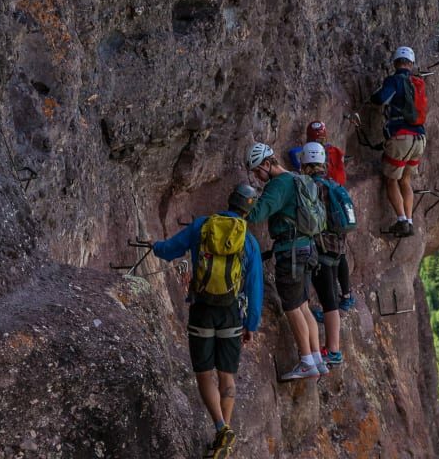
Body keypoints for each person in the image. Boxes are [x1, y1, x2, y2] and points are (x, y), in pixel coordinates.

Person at [151, 184, 264, 459]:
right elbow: (254, 286)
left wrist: (155, 246)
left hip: (202, 309)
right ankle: (223, 436)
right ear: (248, 211)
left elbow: (168, 250)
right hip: (231, 312)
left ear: (229, 200)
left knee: (204, 374)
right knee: (227, 375)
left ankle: (221, 428)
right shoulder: (248, 240)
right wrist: (251, 324)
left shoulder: (202, 226)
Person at [243, 141, 329, 381]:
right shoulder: (296, 178)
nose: (257, 177)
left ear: (268, 164)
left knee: (291, 306)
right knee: (302, 305)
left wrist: (243, 201)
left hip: (291, 252)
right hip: (307, 248)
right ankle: (316, 359)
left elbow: (258, 214)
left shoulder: (278, 185)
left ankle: (306, 361)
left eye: (257, 170)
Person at [298, 142, 356, 366]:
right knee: (330, 296)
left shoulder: (310, 186)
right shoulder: (332, 184)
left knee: (328, 300)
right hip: (336, 248)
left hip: (320, 248)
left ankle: (333, 350)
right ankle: (332, 348)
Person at [372, 46, 427, 236]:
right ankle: (410, 220)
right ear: (411, 64)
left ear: (395, 62)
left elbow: (381, 98)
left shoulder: (395, 80)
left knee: (391, 179)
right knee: (406, 179)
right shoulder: (417, 83)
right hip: (420, 139)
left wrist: (372, 97)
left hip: (401, 137)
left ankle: (402, 220)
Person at [286, 121, 347, 185]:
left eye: (320, 140)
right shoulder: (307, 151)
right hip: (317, 184)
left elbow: (341, 175)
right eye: (315, 141)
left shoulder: (334, 151)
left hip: (330, 185)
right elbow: (293, 153)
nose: (318, 143)